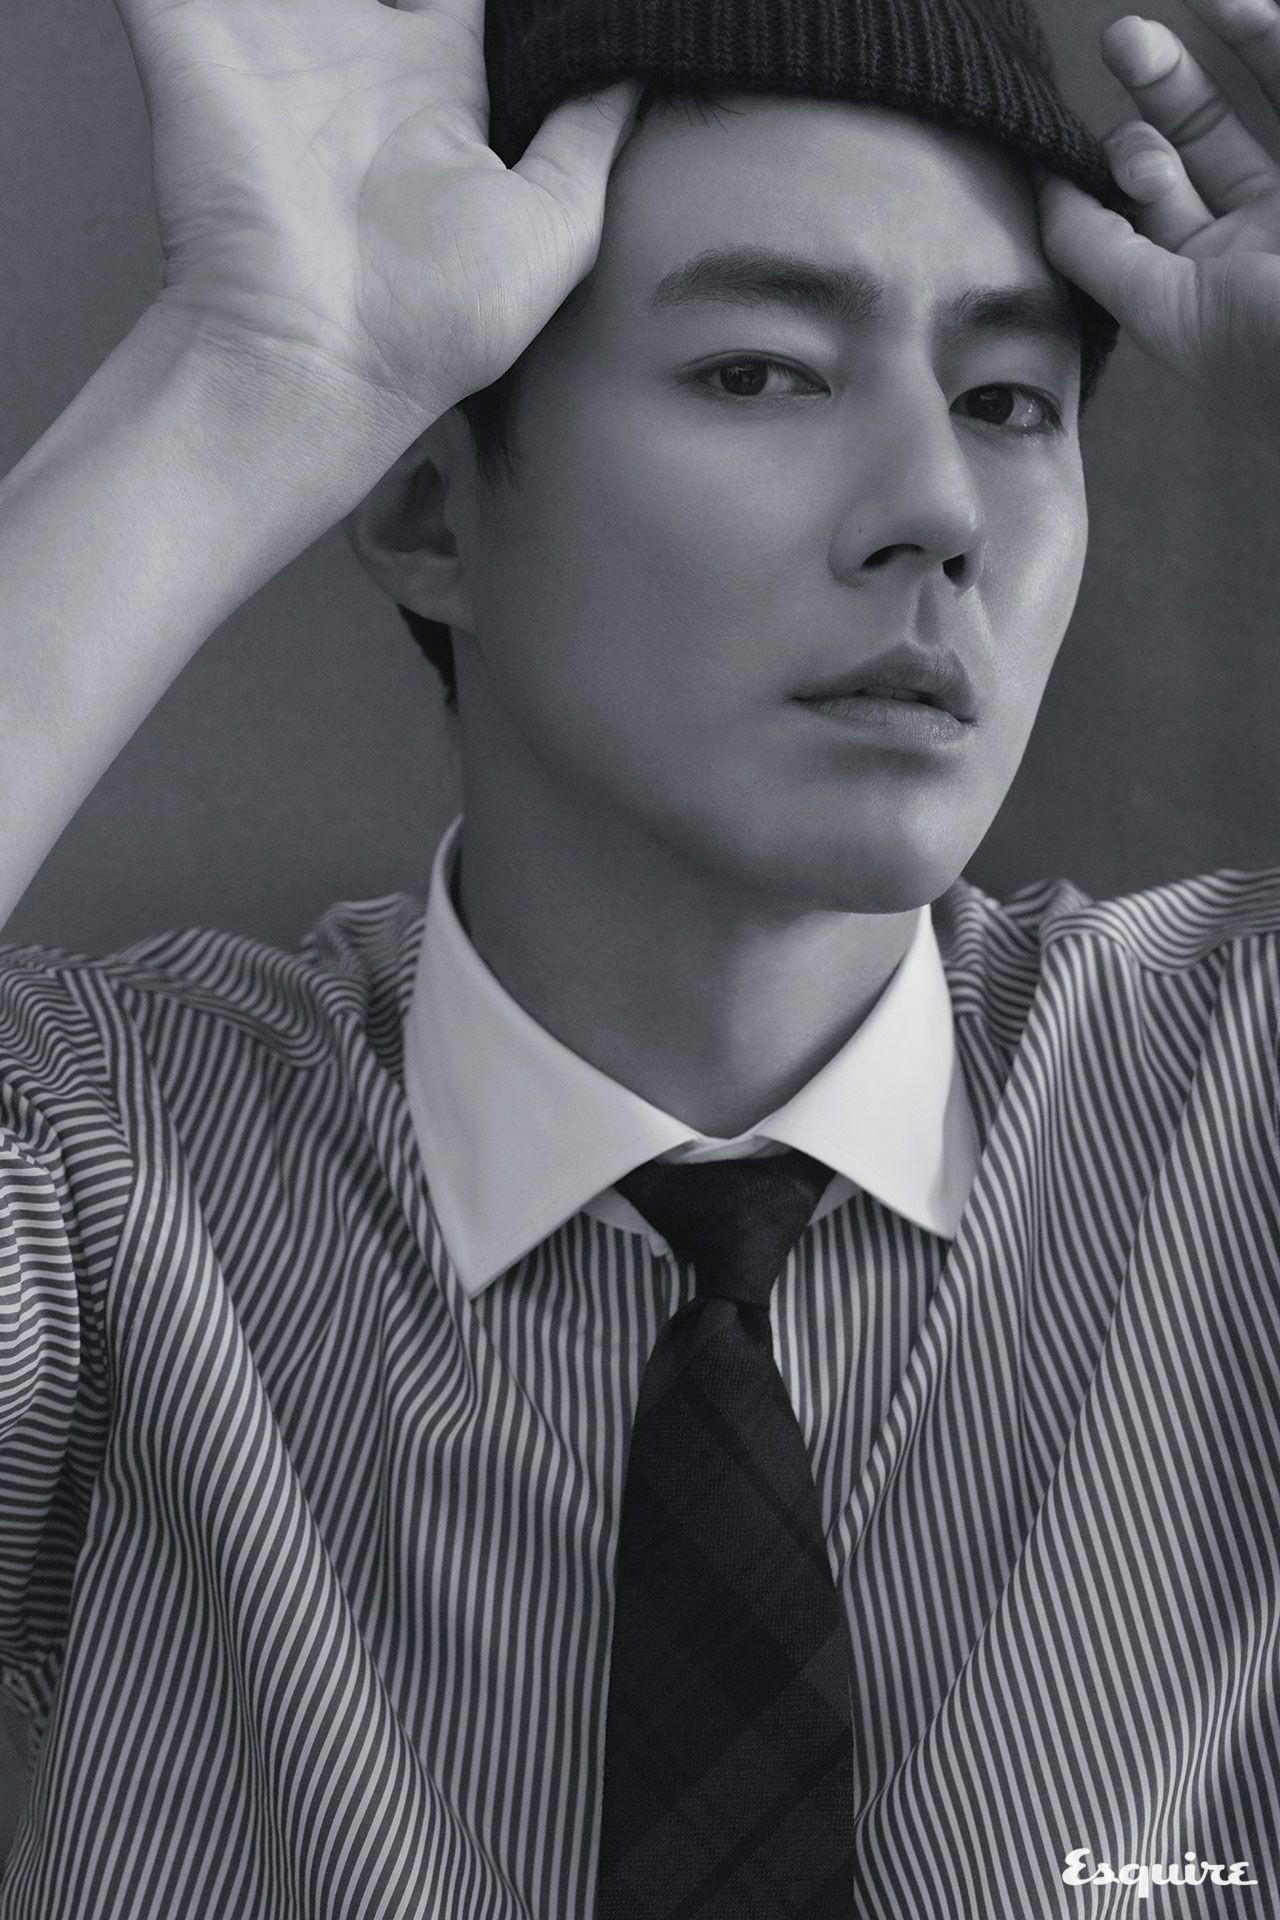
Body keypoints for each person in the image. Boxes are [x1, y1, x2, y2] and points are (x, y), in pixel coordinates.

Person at [1, 0, 1279, 1912]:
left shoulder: (1236, 1098)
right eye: (763, 372)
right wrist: (250, 379)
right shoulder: (107, 1175)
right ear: (427, 504)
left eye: (1011, 402)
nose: (938, 514)